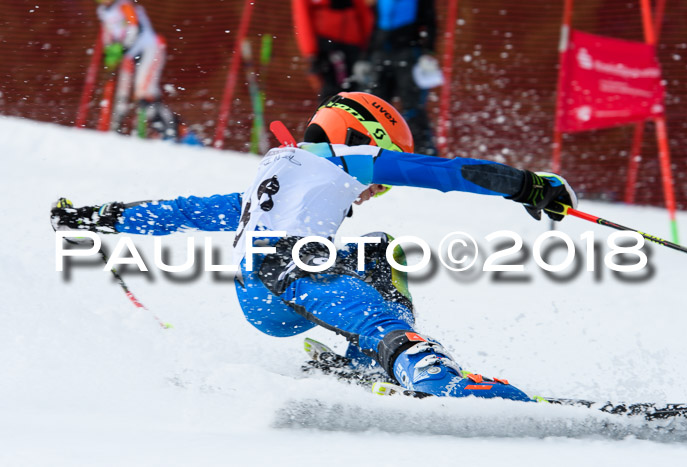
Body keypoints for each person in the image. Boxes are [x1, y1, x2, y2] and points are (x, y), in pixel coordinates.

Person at [51, 92, 576, 400]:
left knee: (374, 249)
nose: (373, 193)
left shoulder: (272, 172)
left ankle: (366, 365)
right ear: (364, 136)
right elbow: (440, 173)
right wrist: (528, 185)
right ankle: (431, 375)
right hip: (291, 270)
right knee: (376, 288)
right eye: (379, 180)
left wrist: (99, 218)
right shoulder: (347, 159)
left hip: (255, 295)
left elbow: (184, 212)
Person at [363, 0, 439, 156]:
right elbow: (375, 23)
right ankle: (371, 149)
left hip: (408, 52)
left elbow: (430, 21)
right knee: (374, 105)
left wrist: (428, 51)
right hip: (381, 52)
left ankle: (424, 152)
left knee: (412, 105)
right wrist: (366, 57)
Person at [95, 0, 178, 139]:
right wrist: (109, 49)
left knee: (144, 94)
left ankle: (170, 130)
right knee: (123, 94)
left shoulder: (124, 5)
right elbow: (108, 32)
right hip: (130, 54)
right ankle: (118, 129)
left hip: (149, 49)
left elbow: (135, 28)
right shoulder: (102, 11)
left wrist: (121, 47)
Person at [292, 0, 374, 102]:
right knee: (332, 93)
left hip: (354, 46)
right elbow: (302, 19)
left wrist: (369, 47)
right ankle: (329, 116)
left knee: (358, 93)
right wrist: (311, 53)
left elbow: (363, 13)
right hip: (326, 46)